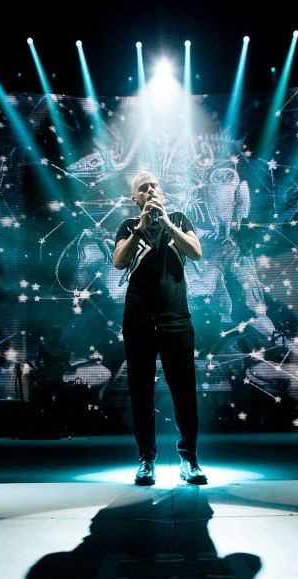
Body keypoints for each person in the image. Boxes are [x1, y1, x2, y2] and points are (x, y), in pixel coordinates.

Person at [112, 171, 207, 485]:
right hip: (138, 319)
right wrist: (140, 229)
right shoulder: (128, 226)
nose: (150, 190)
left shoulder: (178, 218)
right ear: (135, 198)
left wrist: (166, 224)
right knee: (141, 392)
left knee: (183, 392)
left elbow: (196, 251)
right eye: (143, 188)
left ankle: (189, 460)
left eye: (154, 186)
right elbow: (118, 262)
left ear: (162, 192)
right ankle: (146, 460)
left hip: (175, 318)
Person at [32, 323, 72, 437]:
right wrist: (44, 369)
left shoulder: (65, 348)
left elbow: (67, 364)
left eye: (57, 332)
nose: (56, 334)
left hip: (58, 378)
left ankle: (57, 428)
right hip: (47, 378)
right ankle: (48, 427)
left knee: (60, 404)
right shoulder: (44, 346)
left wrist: (69, 368)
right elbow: (37, 361)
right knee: (47, 403)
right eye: (55, 332)